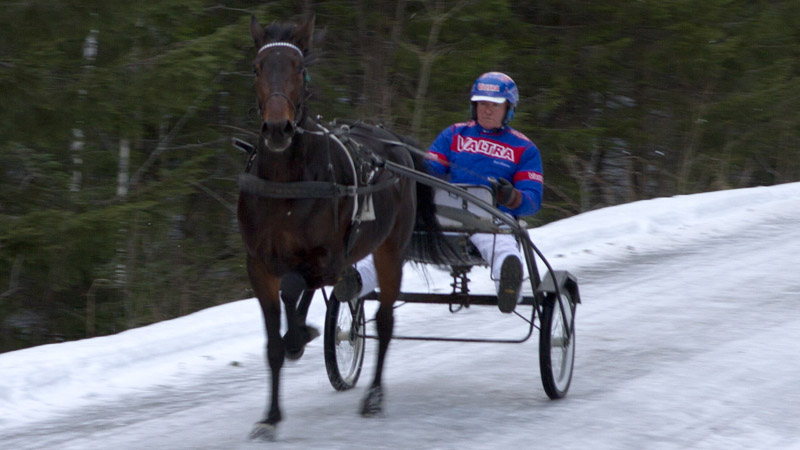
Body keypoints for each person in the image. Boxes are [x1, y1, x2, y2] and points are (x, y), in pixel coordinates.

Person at [334, 72, 543, 313]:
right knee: (389, 240)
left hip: (488, 221)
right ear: (474, 106)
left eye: (495, 105)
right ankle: (355, 281)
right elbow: (428, 172)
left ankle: (508, 285)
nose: (487, 110)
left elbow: (533, 200)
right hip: (436, 217)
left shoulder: (524, 148)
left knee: (501, 246)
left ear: (509, 108)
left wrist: (512, 197)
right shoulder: (453, 134)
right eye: (482, 104)